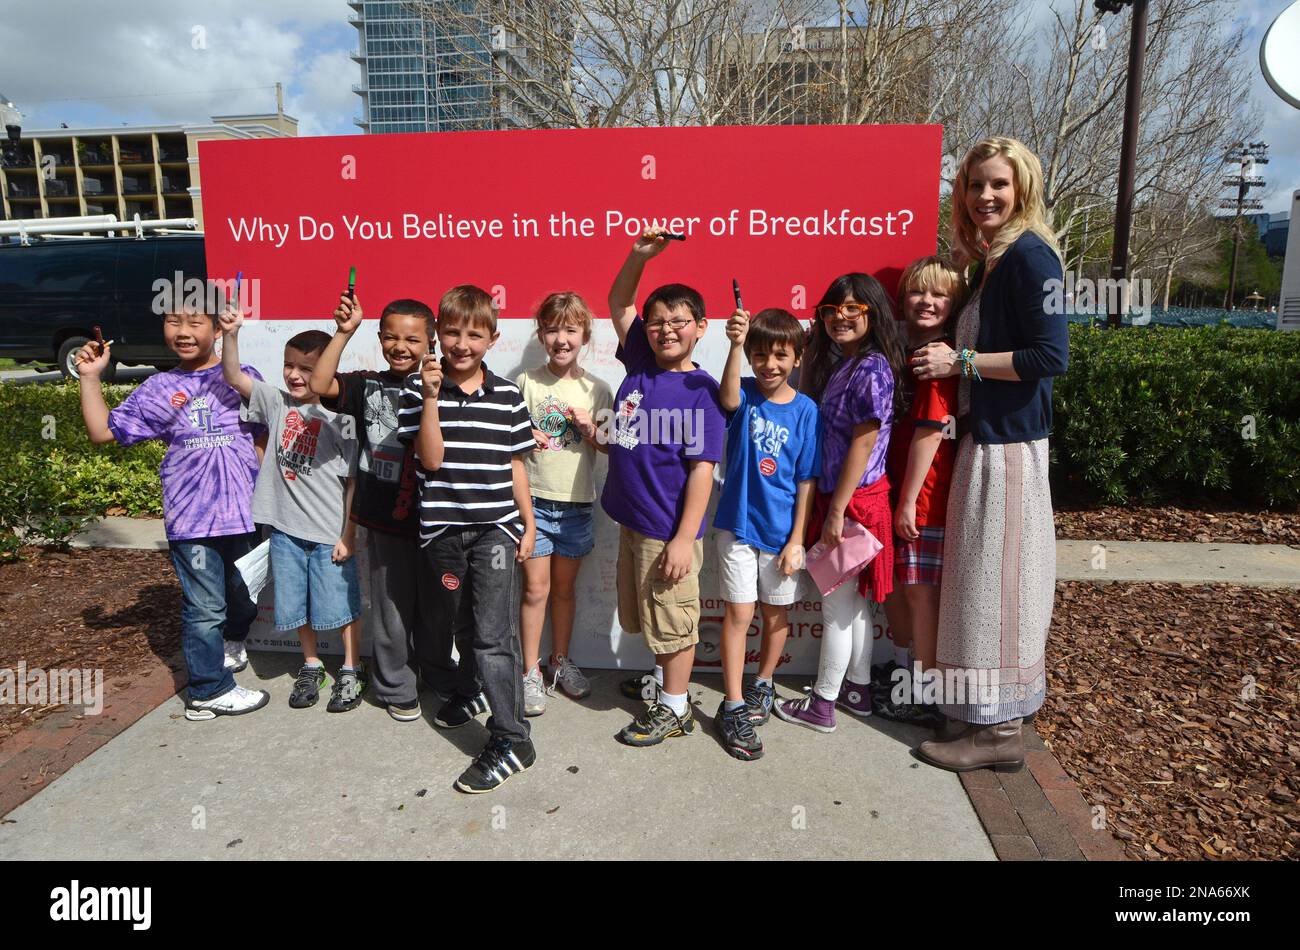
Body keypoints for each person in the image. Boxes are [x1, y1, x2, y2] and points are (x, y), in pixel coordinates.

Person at [909, 136, 1068, 772]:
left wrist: (962, 360)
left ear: (1022, 188)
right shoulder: (997, 261)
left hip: (1011, 449)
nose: (985, 196)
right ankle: (977, 713)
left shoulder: (1034, 258)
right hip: (988, 442)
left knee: (1000, 586)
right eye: (975, 186)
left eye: (998, 184)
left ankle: (1000, 732)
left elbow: (1050, 357)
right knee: (980, 582)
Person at [75, 305, 270, 721]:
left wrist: (263, 490)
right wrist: (90, 378)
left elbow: (263, 435)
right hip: (191, 518)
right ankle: (207, 690)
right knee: (205, 608)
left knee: (244, 597)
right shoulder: (158, 387)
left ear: (218, 329)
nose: (182, 331)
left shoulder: (243, 375)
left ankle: (232, 641)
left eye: (194, 322)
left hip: (244, 514)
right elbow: (102, 431)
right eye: (173, 322)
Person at [396, 285, 538, 793]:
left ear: (492, 338)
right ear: (438, 334)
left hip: (496, 531)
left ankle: (512, 736)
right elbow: (429, 460)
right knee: (460, 622)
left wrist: (529, 523)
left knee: (494, 635)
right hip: (442, 532)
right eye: (452, 332)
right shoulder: (417, 392)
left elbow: (516, 464)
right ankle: (474, 690)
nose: (461, 343)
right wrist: (431, 395)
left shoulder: (507, 394)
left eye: (474, 334)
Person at [307, 294, 461, 722]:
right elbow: (320, 386)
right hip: (384, 518)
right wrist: (343, 331)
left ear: (430, 342)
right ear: (378, 339)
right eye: (391, 337)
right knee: (392, 607)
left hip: (443, 517)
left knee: (438, 607)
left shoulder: (447, 382)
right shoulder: (367, 384)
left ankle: (438, 672)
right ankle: (395, 683)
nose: (400, 346)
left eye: (412, 339)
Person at [603, 229, 726, 747]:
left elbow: (702, 470)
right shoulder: (640, 363)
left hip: (667, 530)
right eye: (657, 322)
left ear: (700, 327)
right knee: (652, 616)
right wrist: (639, 256)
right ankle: (662, 683)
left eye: (678, 321)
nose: (665, 330)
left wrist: (683, 537)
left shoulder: (703, 391)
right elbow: (619, 300)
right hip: (632, 522)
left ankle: (676, 708)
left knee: (673, 620)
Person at [774, 273, 908, 733]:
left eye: (853, 309)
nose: (841, 318)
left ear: (873, 313)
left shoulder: (870, 368)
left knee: (836, 607)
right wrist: (811, 354)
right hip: (854, 502)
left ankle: (823, 704)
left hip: (853, 505)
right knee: (852, 608)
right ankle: (856, 689)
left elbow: (863, 443)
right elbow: (814, 403)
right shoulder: (852, 363)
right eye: (832, 310)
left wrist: (834, 511)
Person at [220, 308, 366, 713]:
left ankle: (352, 669)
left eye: (307, 368)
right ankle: (312, 664)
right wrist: (230, 335)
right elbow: (233, 376)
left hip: (328, 536)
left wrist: (347, 534)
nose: (295, 375)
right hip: (285, 532)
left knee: (342, 606)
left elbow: (354, 481)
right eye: (289, 365)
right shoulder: (275, 402)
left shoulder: (342, 420)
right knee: (294, 605)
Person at [712, 306, 820, 759]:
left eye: (780, 355)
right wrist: (735, 346)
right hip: (736, 528)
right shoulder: (746, 394)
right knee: (739, 616)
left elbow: (806, 478)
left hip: (781, 538)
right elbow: (728, 399)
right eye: (760, 355)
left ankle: (764, 683)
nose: (769, 364)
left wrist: (797, 539)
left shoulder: (807, 409)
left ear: (798, 357)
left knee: (776, 617)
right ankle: (733, 703)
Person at [875, 256, 966, 727]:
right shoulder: (909, 353)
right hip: (900, 493)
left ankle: (926, 692)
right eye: (918, 292)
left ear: (953, 305)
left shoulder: (938, 361)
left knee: (919, 593)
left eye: (939, 296)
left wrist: (908, 500)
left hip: (924, 499)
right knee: (902, 589)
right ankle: (908, 674)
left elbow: (930, 433)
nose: (927, 302)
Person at [516, 292, 614, 715]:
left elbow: (610, 448)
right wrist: (524, 439)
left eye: (570, 330)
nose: (561, 339)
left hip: (576, 506)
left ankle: (559, 661)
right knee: (535, 590)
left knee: (565, 591)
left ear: (585, 336)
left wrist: (592, 429)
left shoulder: (599, 388)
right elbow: (509, 444)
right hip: (533, 504)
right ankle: (529, 672)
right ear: (541, 334)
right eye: (553, 329)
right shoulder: (526, 382)